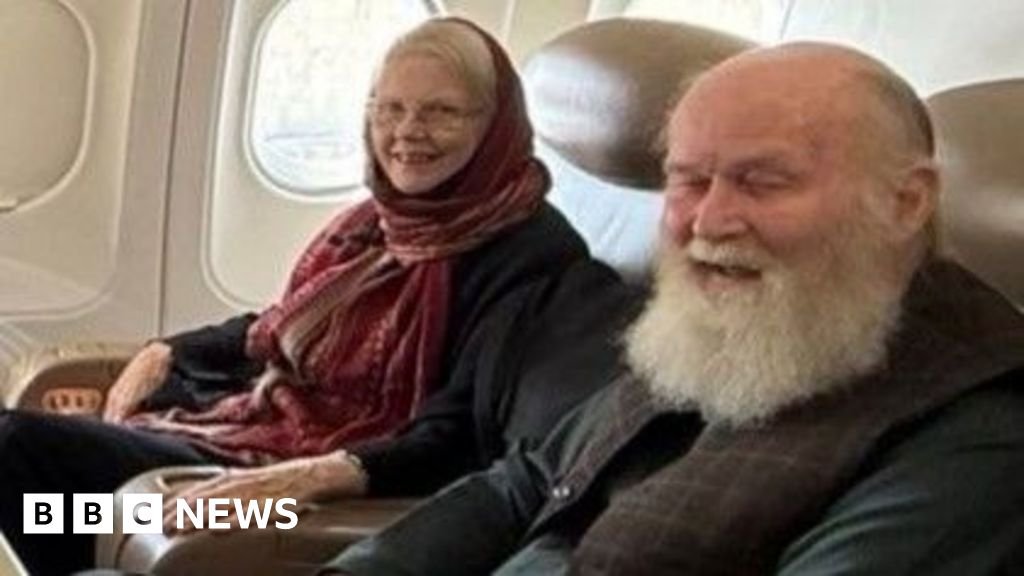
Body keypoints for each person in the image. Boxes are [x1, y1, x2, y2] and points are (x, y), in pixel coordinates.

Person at [325, 43, 1024, 575]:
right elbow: (529, 481)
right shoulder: (737, 323)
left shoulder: (972, 444)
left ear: (905, 203)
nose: (709, 221)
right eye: (688, 181)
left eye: (763, 182)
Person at [0, 18, 638, 575]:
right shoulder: (383, 221)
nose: (407, 132)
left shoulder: (525, 256)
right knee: (41, 477)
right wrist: (168, 350)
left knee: (27, 459)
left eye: (441, 111)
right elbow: (280, 327)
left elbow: (457, 434)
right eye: (389, 109)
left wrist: (307, 478)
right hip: (265, 421)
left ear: (495, 125)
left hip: (328, 485)